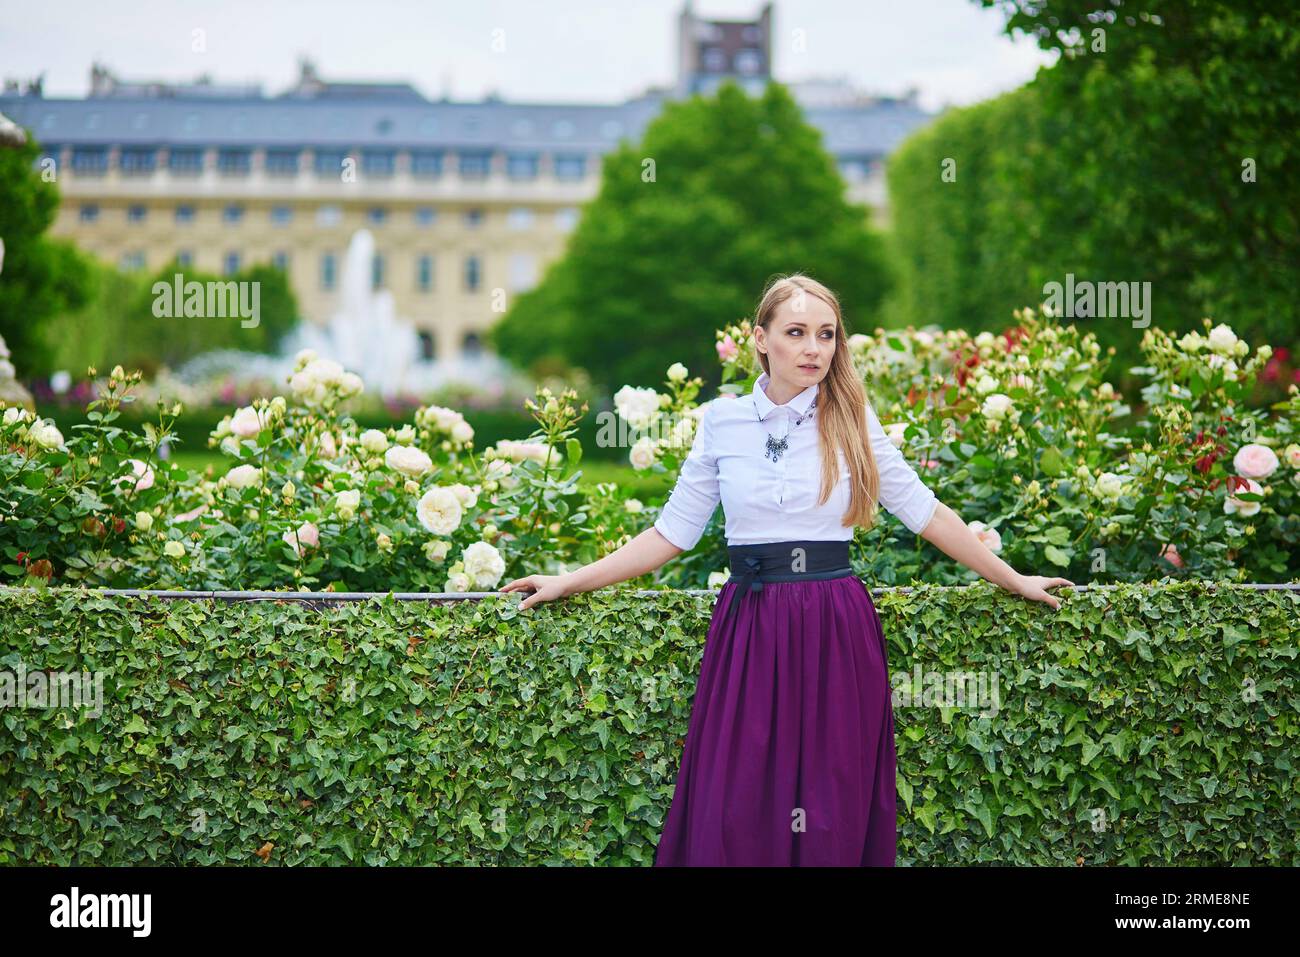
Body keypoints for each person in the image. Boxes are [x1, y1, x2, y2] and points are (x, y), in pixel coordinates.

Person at [499, 273, 1073, 866]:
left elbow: (927, 514)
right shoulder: (721, 422)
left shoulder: (853, 420)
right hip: (749, 629)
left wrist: (1014, 578)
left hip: (835, 629)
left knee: (828, 809)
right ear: (761, 339)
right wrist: (567, 579)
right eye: (796, 332)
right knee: (735, 802)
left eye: (826, 335)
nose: (813, 348)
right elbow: (672, 532)